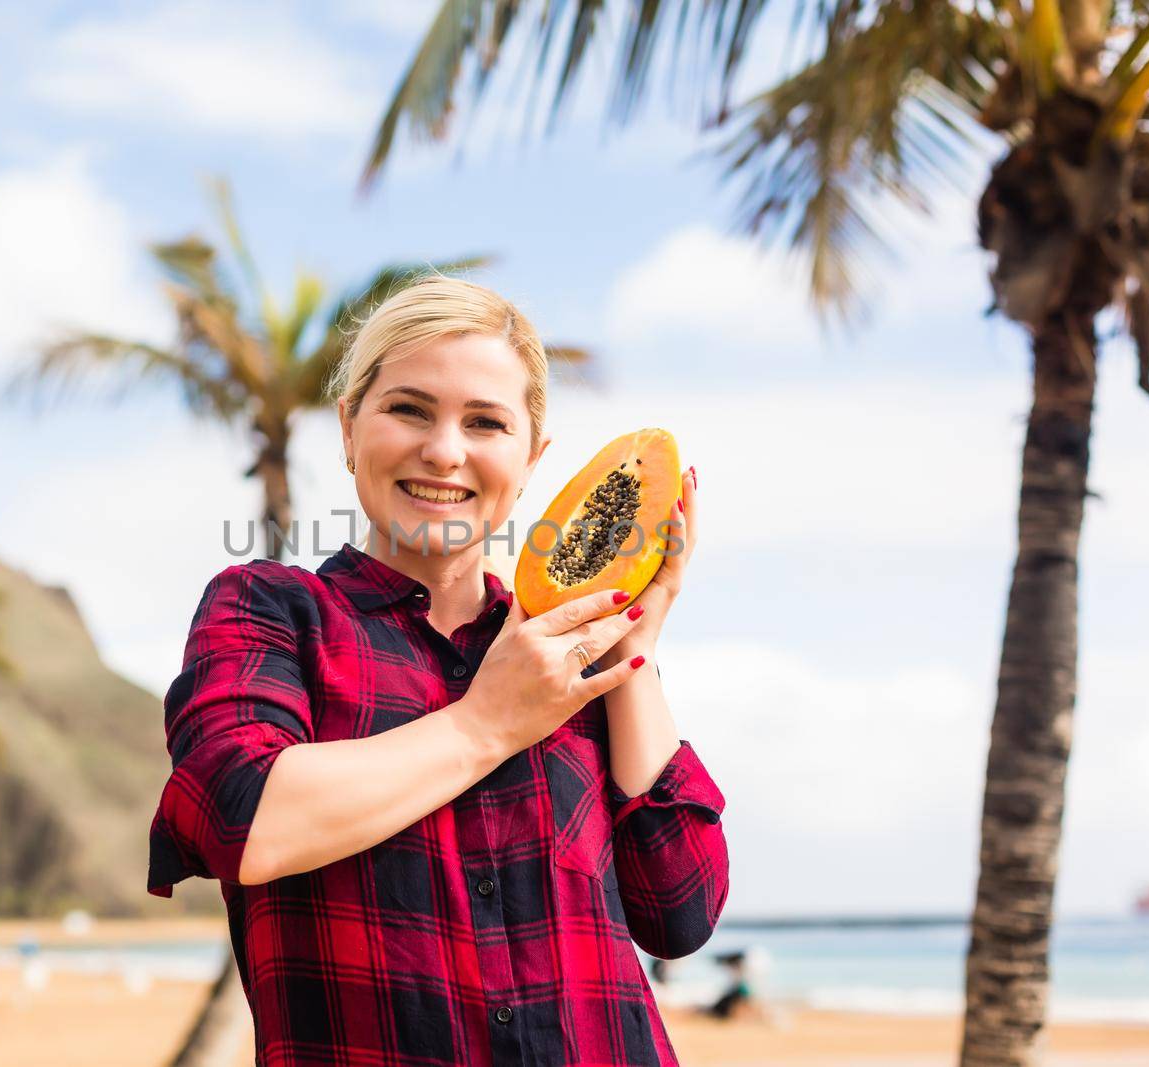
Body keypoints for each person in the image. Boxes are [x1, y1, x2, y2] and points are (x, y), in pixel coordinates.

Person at [146, 275, 730, 1065]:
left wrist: (632, 645)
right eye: (409, 409)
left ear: (530, 460)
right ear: (350, 428)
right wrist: (489, 722)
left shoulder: (574, 658)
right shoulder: (270, 610)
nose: (444, 450)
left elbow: (680, 909)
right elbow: (241, 816)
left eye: (486, 422)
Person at [707, 951, 753, 1021]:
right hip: (739, 991)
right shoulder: (741, 975)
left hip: (739, 992)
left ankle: (724, 1015)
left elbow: (743, 990)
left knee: (725, 1002)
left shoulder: (741, 978)